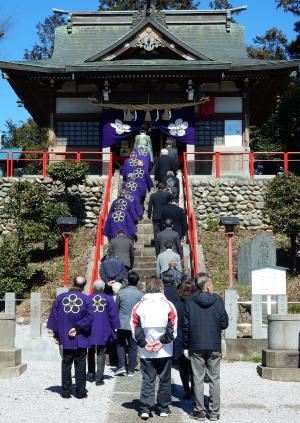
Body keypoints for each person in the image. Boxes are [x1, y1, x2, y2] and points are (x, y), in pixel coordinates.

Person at [182, 274, 229, 421]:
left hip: (196, 345)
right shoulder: (218, 301)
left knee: (197, 378)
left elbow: (185, 327)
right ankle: (214, 413)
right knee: (214, 378)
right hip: (214, 345)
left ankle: (199, 410)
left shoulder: (190, 302)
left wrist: (185, 346)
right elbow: (224, 323)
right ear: (208, 286)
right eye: (212, 284)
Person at [130, 277, 177, 419]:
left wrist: (144, 343)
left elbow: (134, 327)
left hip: (146, 349)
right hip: (165, 349)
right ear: (161, 288)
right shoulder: (168, 305)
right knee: (164, 379)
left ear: (146, 288)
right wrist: (162, 342)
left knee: (147, 379)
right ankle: (163, 407)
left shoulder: (139, 305)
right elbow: (172, 327)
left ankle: (145, 408)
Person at [47, 275, 94, 399]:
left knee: (66, 363)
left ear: (73, 283)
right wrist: (78, 327)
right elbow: (90, 317)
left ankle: (66, 392)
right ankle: (80, 392)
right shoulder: (87, 299)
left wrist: (56, 334)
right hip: (81, 337)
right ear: (84, 286)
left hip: (66, 337)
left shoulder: (60, 298)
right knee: (81, 364)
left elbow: (54, 317)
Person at [87, 280, 120, 385]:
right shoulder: (108, 299)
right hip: (103, 328)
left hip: (90, 328)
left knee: (90, 351)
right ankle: (99, 378)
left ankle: (91, 374)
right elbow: (113, 315)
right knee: (101, 352)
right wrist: (115, 327)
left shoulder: (88, 298)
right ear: (103, 288)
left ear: (93, 288)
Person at [115, 271, 143, 376]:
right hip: (134, 324)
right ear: (138, 281)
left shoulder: (121, 293)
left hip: (121, 323)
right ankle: (131, 369)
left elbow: (116, 308)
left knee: (120, 345)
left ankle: (122, 365)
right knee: (133, 346)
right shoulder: (141, 294)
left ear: (128, 280)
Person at [173, 280, 196, 400]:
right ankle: (195, 389)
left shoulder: (176, 305)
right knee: (195, 366)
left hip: (180, 338)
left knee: (182, 367)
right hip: (194, 338)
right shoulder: (196, 304)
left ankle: (186, 389)